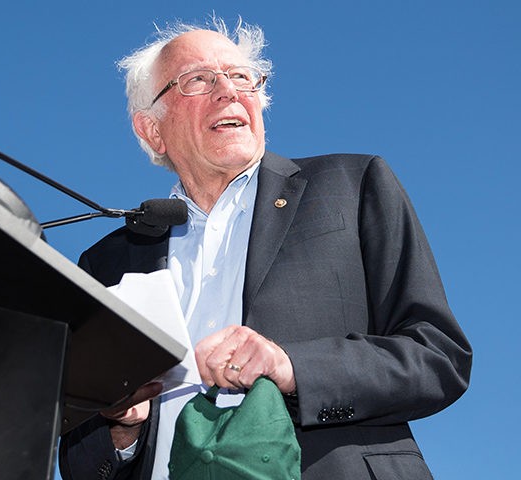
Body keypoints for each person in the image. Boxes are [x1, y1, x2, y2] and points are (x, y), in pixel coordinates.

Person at [59, 17, 472, 480]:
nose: (229, 91)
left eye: (242, 77)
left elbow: (437, 356)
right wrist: (121, 428)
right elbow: (76, 450)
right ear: (151, 129)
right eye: (199, 80)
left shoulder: (351, 186)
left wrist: (292, 366)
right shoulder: (108, 261)